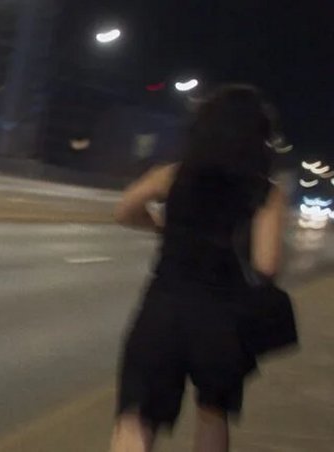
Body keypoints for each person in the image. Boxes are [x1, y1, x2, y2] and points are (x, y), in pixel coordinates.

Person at [110, 85, 286, 452]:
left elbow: (124, 210)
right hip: (223, 319)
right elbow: (267, 264)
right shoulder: (267, 192)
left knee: (137, 417)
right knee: (212, 414)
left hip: (163, 309)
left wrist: (162, 227)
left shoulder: (172, 175)